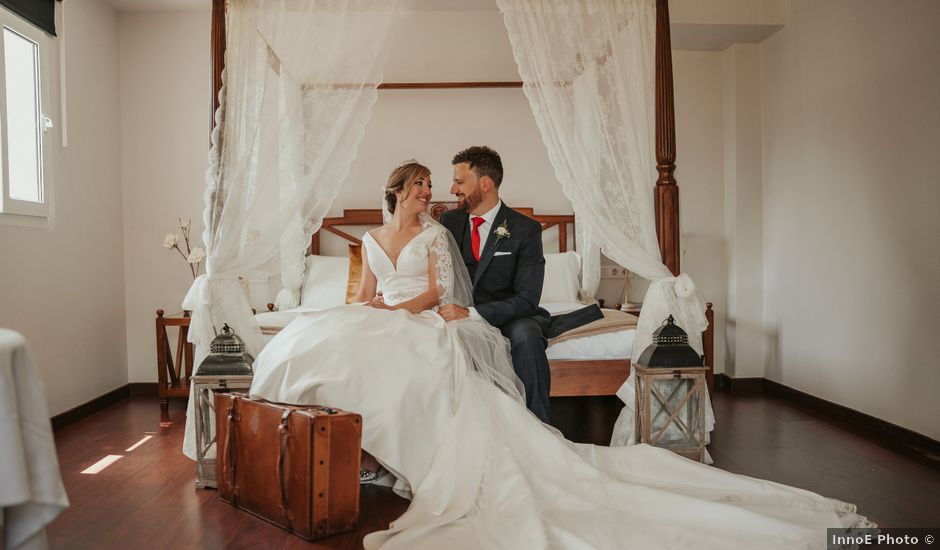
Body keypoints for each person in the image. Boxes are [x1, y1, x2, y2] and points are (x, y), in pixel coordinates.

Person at [250, 160, 872, 550]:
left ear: (483, 184)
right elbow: (364, 291)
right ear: (399, 192)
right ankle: (337, 452)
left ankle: (533, 419)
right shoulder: (376, 236)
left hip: (456, 315)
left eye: (450, 183)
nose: (440, 192)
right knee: (326, 338)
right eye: (426, 186)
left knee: (526, 328)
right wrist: (367, 310)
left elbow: (448, 291)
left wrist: (423, 312)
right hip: (385, 313)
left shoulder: (497, 231)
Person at [438, 146, 600, 423]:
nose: (452, 189)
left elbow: (527, 299)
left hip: (510, 316)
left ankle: (538, 426)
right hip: (457, 315)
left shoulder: (525, 229)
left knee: (527, 335)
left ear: (485, 184)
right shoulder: (449, 222)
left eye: (460, 181)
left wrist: (473, 313)